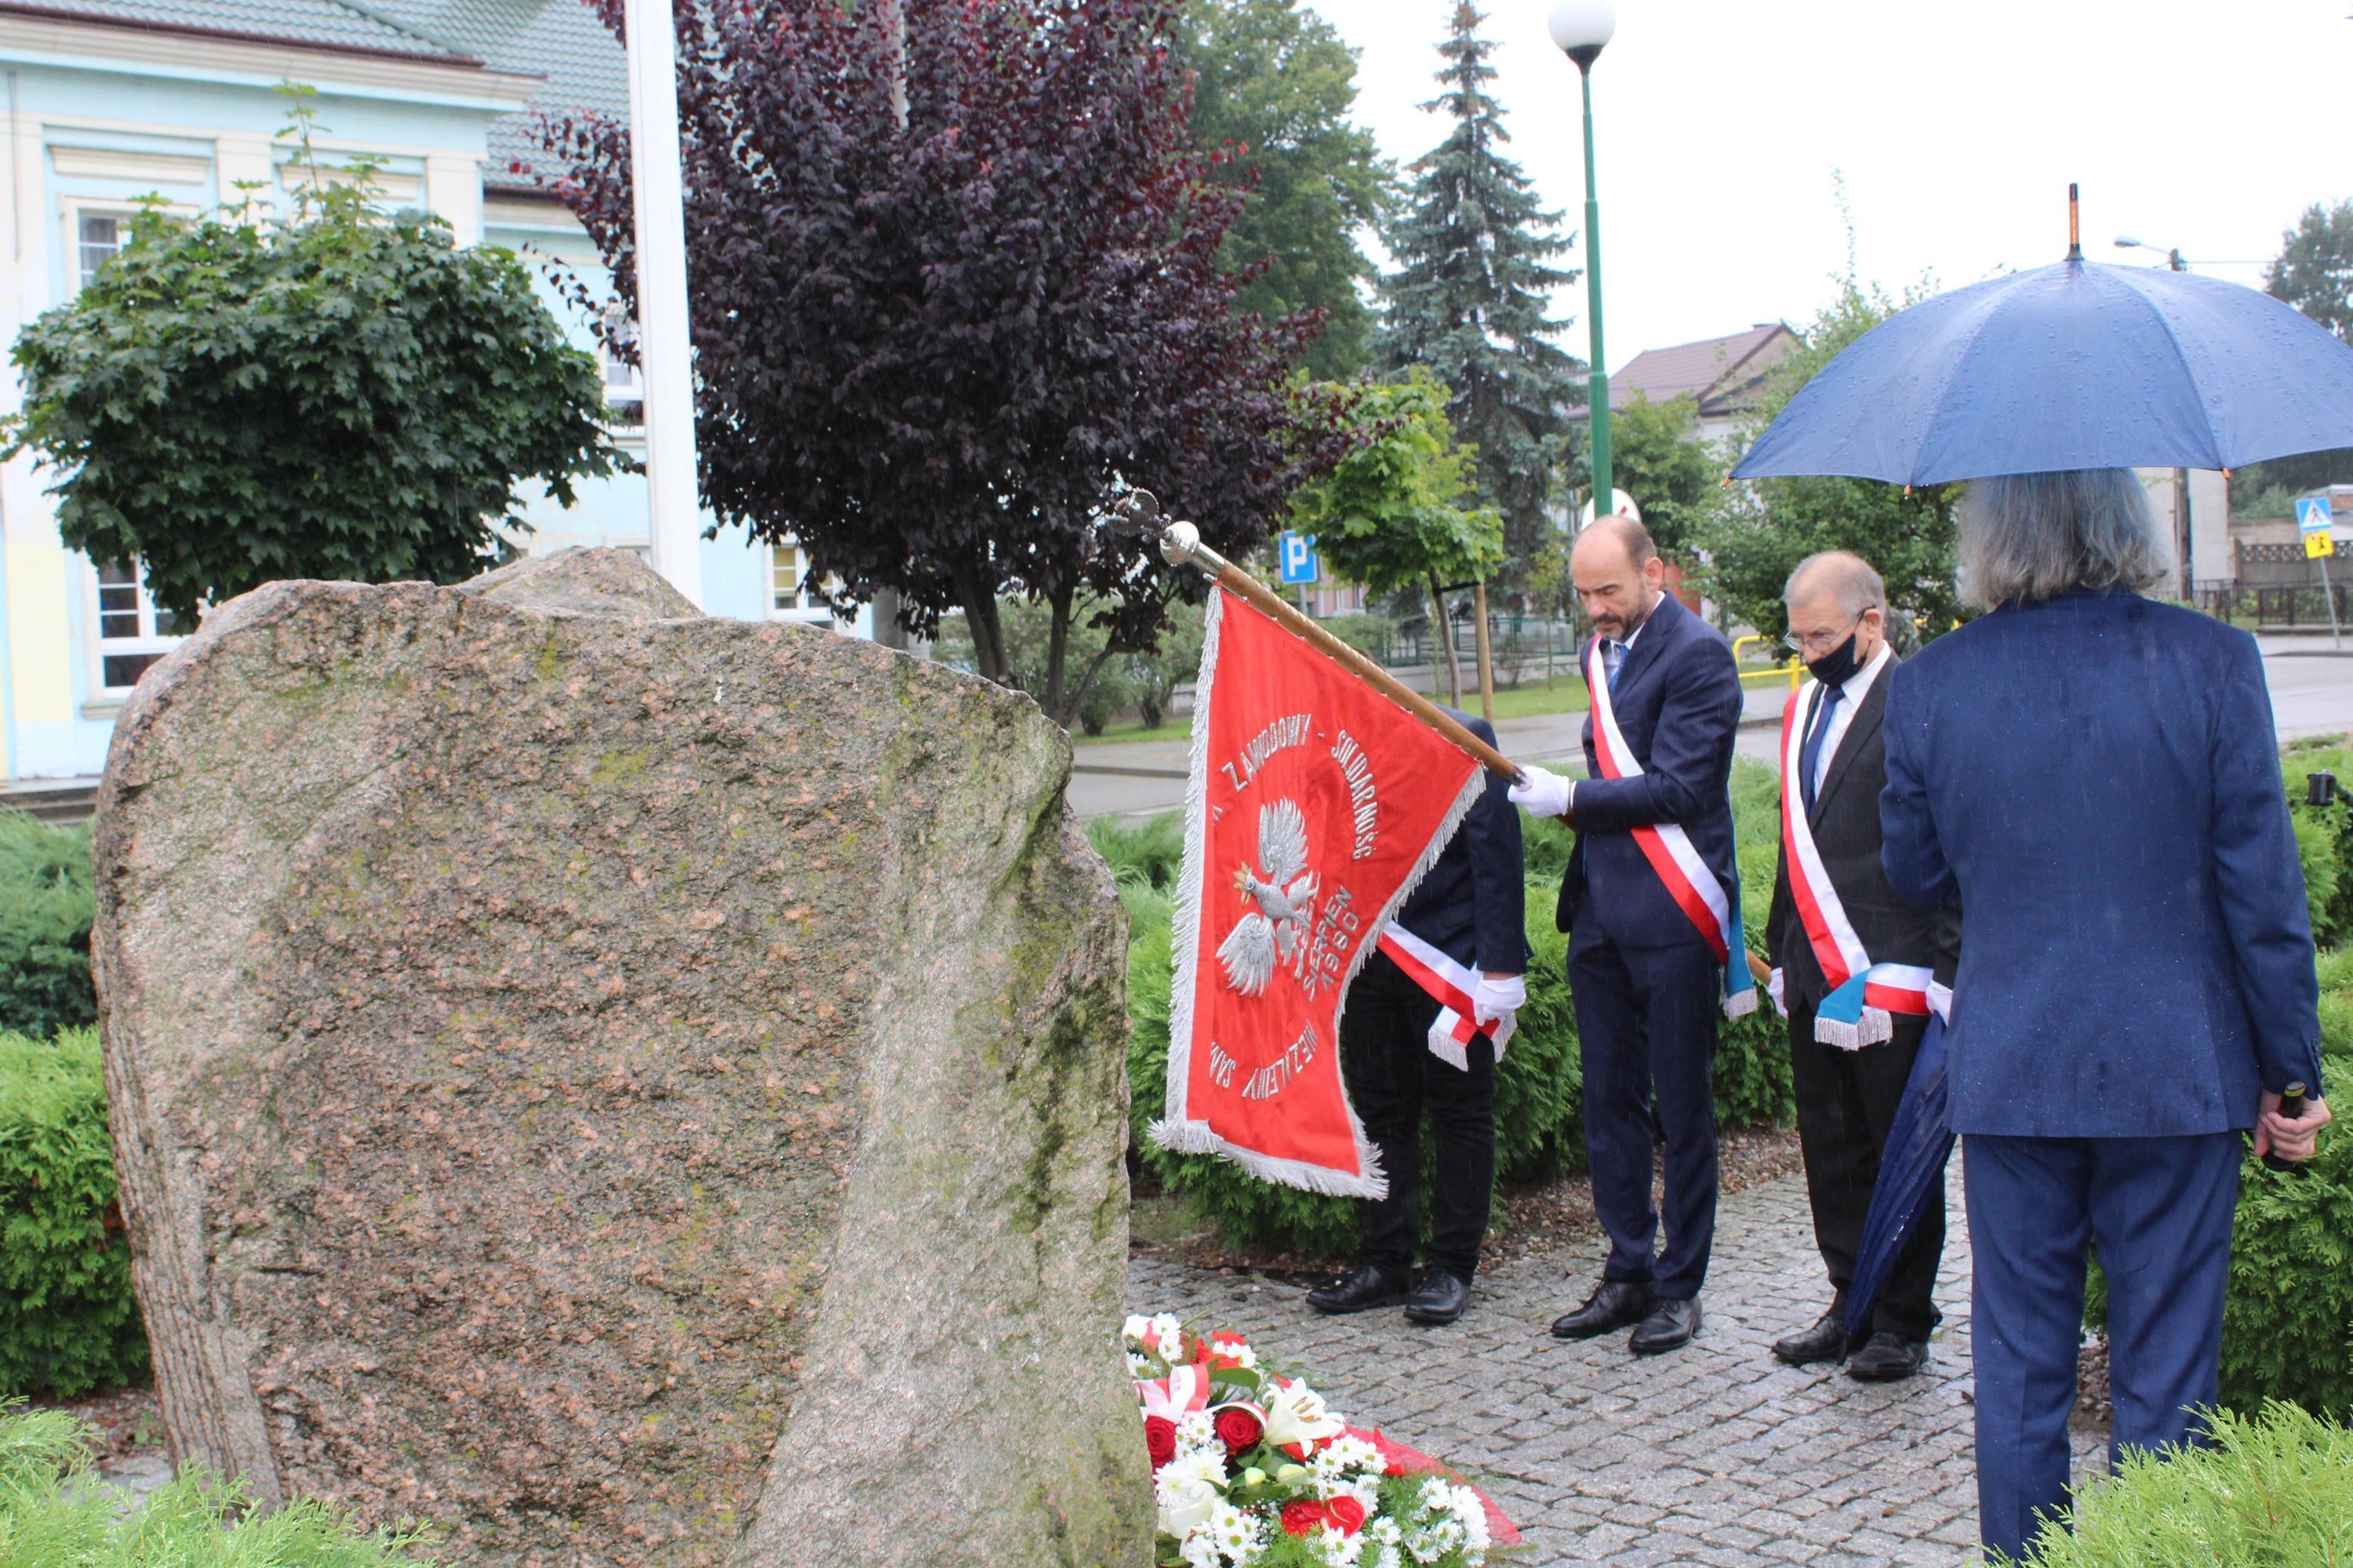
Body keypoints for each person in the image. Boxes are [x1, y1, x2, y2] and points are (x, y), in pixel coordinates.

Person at [1878, 468, 2333, 1558]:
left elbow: (1909, 867)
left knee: (2020, 1371)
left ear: (1990, 540)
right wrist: (2293, 1073)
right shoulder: (2213, 660)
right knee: (2168, 1378)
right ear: (2131, 528)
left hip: (2014, 1065)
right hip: (2174, 1068)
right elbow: (2261, 890)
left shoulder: (1931, 679)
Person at [1510, 515, 1747, 1355]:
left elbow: (1679, 788)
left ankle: (1680, 1287)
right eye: (1581, 594)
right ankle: (1626, 1268)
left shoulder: (1699, 655)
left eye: (1607, 590)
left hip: (1674, 916)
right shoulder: (1596, 654)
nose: (1594, 608)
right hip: (1602, 915)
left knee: (1680, 1107)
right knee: (1608, 1104)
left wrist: (1568, 800)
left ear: (1654, 571)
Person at [1763, 551, 1959, 1383]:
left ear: (1869, 623)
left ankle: (1900, 1318)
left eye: (1820, 636)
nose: (1807, 652)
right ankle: (1847, 1297)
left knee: (1895, 1148)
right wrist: (1779, 954)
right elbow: (1793, 839)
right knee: (1829, 1147)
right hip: (1814, 968)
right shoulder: (1803, 702)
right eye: (1797, 637)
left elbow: (1950, 842)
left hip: (1892, 975)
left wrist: (1948, 971)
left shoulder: (1917, 702)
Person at [1307, 705, 1527, 1326]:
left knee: (1460, 1116)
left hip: (1450, 964)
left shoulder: (1462, 737)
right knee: (1382, 1113)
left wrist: (1501, 966)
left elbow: (1496, 855)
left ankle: (1453, 1266)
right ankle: (1386, 1262)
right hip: (1372, 961)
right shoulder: (1336, 743)